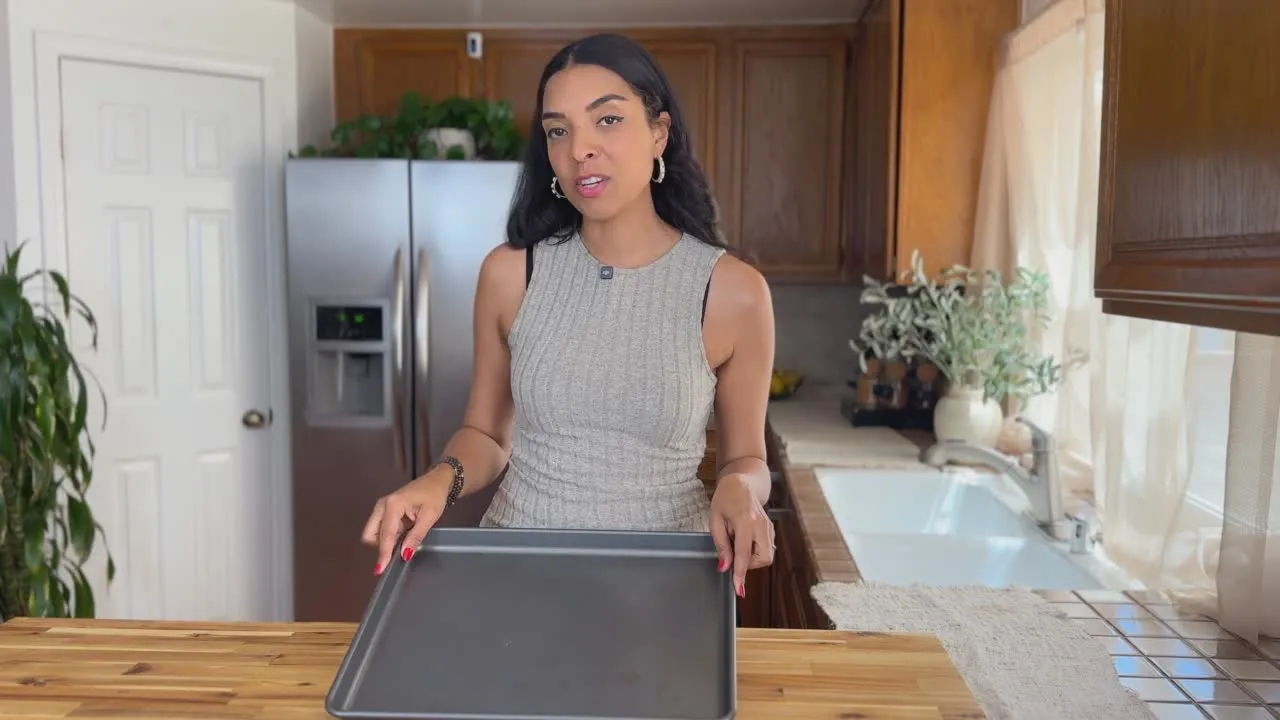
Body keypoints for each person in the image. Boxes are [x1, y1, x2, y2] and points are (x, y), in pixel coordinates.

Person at [361, 33, 776, 597]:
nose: (581, 147)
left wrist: (741, 489)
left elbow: (748, 457)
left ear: (659, 132)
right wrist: (439, 482)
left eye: (607, 120)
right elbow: (485, 434)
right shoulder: (510, 275)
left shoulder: (733, 291)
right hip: (518, 575)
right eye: (559, 130)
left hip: (665, 587)